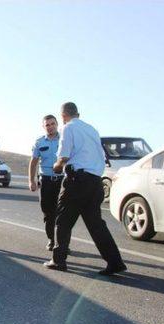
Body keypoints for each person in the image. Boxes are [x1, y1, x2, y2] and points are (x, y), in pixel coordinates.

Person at [44, 102, 126, 275]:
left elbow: (63, 156)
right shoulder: (92, 130)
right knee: (96, 224)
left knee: (63, 220)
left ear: (63, 116)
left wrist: (57, 166)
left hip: (77, 181)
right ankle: (115, 261)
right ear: (78, 114)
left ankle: (58, 260)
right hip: (95, 182)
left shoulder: (68, 128)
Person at [29, 114, 66, 251]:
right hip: (46, 182)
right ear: (44, 127)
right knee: (48, 213)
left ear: (57, 124)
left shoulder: (64, 139)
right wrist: (31, 181)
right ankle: (51, 239)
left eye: (52, 124)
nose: (50, 127)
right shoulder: (39, 142)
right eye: (47, 125)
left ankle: (62, 244)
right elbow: (33, 163)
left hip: (62, 181)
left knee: (63, 214)